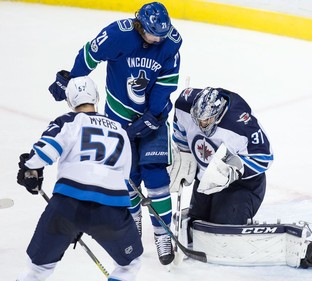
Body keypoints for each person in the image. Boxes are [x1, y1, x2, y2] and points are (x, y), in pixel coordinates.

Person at [47, 2, 182, 265]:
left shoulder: (171, 43)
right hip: (117, 123)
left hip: (153, 120)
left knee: (156, 177)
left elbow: (166, 83)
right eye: (153, 34)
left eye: (161, 35)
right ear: (140, 25)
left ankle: (162, 233)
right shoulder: (118, 34)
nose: (158, 40)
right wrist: (72, 79)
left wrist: (153, 116)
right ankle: (134, 222)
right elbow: (89, 55)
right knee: (127, 178)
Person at [16, 77, 143, 281]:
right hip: (111, 209)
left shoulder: (68, 121)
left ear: (69, 102)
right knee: (130, 264)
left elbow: (43, 154)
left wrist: (29, 170)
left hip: (67, 205)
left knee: (38, 270)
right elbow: (124, 176)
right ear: (96, 97)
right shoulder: (120, 130)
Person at [172, 87, 273, 226]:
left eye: (207, 120)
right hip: (206, 180)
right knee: (195, 224)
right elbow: (180, 128)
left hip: (241, 185)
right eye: (198, 120)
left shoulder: (241, 123)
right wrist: (184, 153)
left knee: (222, 228)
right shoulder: (184, 104)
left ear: (218, 114)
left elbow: (265, 158)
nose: (202, 125)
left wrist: (233, 171)